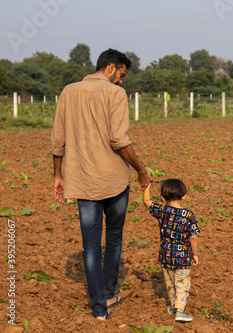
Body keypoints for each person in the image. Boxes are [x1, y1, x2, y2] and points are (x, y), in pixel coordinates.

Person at [50, 49, 152, 320]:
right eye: (121, 74)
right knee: (115, 238)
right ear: (110, 68)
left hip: (82, 180)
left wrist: (58, 174)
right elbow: (119, 139)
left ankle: (99, 310)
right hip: (114, 180)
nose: (121, 80)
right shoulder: (115, 94)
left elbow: (57, 138)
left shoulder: (68, 91)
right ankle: (108, 294)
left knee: (91, 245)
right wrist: (141, 169)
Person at [143, 179, 200, 322]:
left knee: (170, 282)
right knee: (182, 282)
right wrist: (195, 254)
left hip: (165, 255)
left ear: (162, 198)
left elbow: (147, 201)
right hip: (182, 256)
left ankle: (174, 306)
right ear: (184, 196)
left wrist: (147, 185)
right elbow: (193, 237)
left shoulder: (162, 211)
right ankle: (180, 310)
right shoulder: (189, 216)